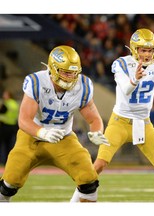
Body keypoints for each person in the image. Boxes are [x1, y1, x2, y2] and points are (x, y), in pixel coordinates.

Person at [70, 28, 154, 202]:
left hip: (144, 123)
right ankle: (73, 203)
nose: (148, 54)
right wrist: (134, 79)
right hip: (120, 122)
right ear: (135, 49)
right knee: (99, 165)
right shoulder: (122, 64)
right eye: (143, 49)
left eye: (150, 50)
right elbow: (126, 89)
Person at [0, 45, 108, 202]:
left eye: (74, 72)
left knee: (89, 179)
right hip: (32, 138)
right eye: (66, 72)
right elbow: (24, 120)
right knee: (10, 181)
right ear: (53, 69)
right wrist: (43, 132)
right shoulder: (37, 82)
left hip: (63, 138)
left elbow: (94, 118)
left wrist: (97, 131)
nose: (71, 77)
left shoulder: (83, 86)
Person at [0, 90, 19, 165]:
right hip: (13, 126)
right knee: (10, 144)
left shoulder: (6, 104)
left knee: (2, 145)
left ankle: (3, 161)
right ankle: (9, 161)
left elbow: (2, 113)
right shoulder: (15, 104)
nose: (4, 96)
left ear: (9, 95)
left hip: (5, 126)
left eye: (5, 95)